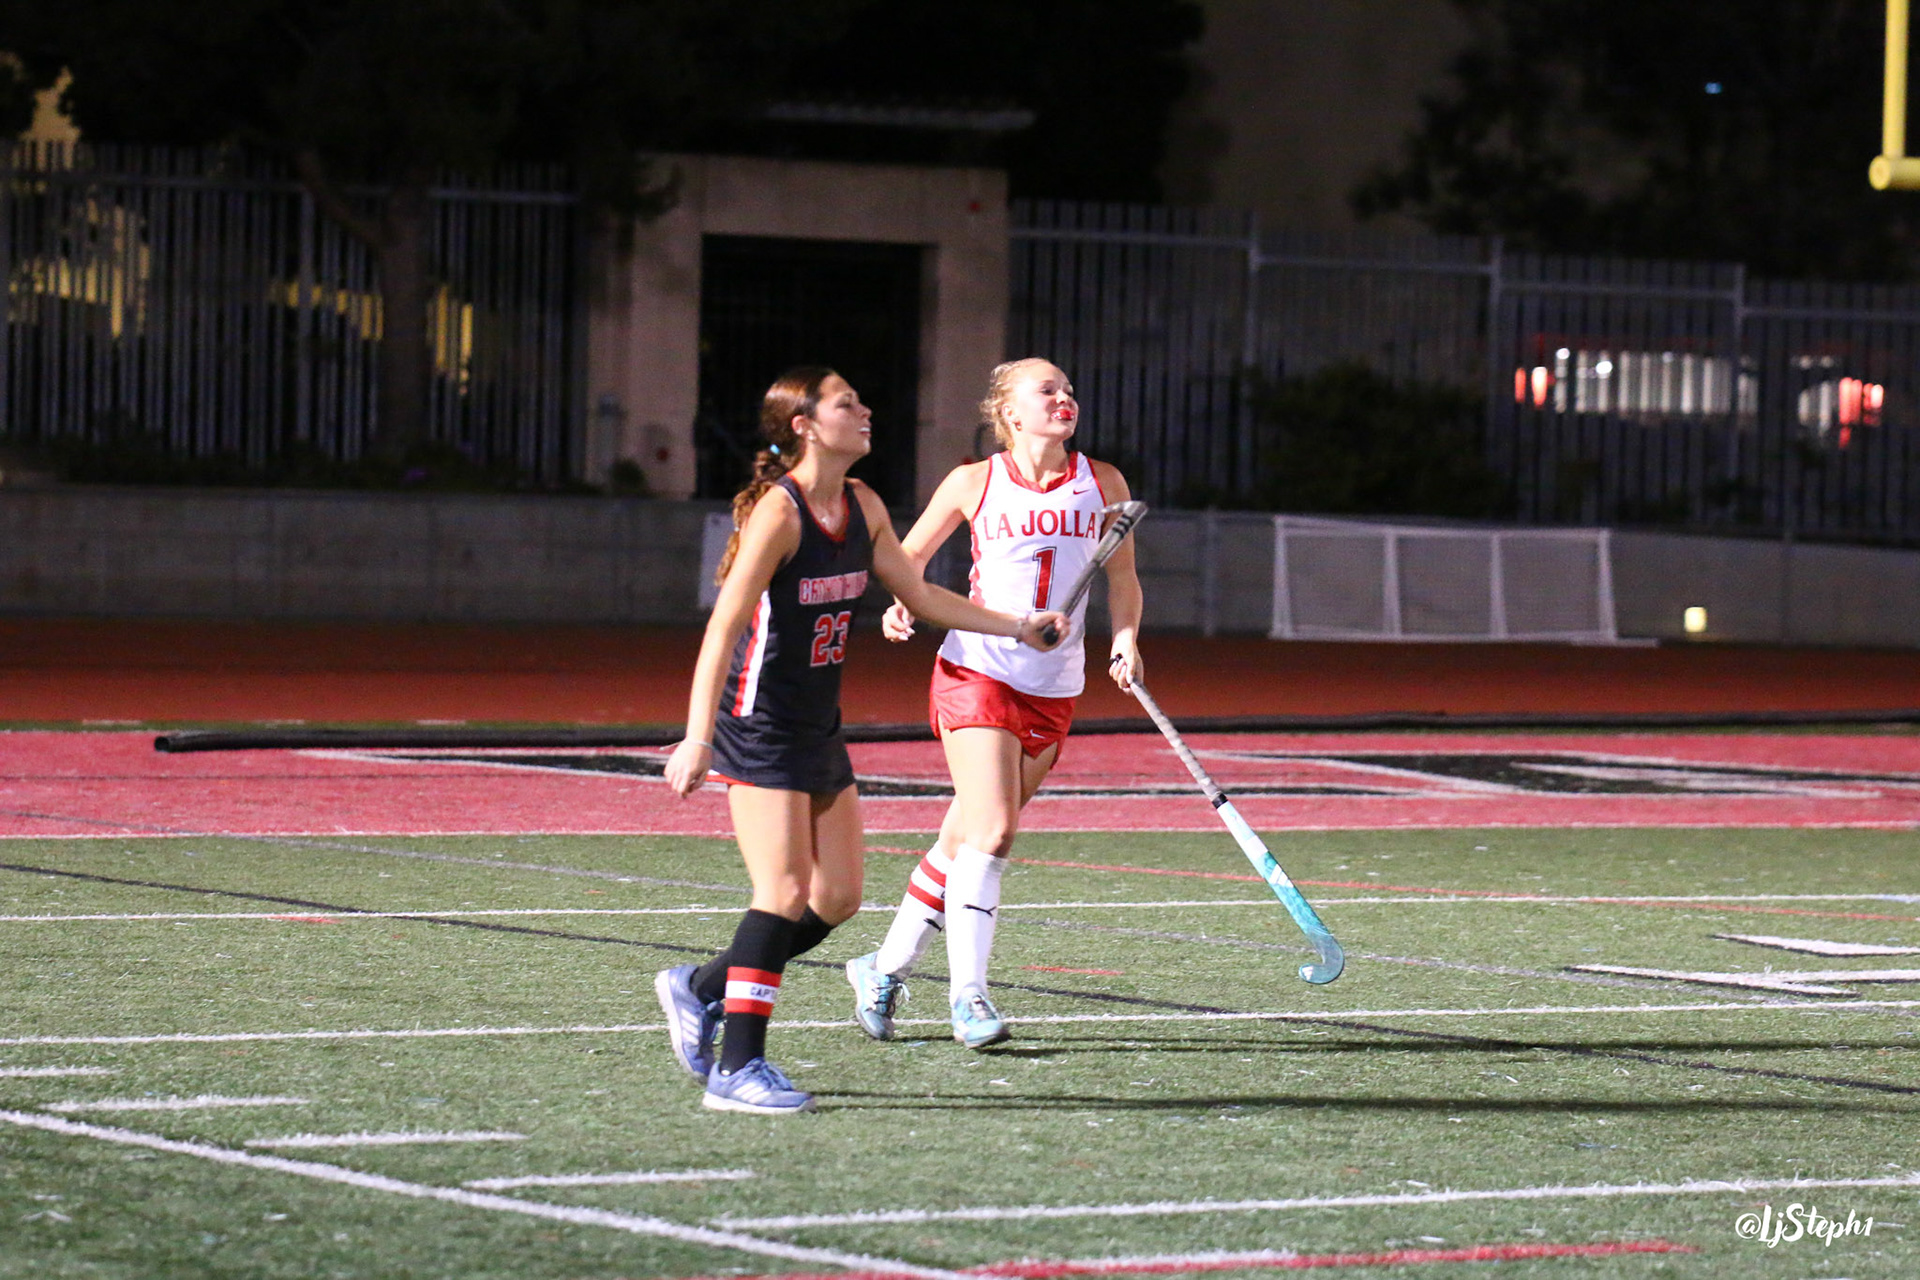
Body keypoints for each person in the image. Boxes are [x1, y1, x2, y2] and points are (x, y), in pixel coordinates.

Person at [655, 365, 1070, 1115]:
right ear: (806, 426)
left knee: (839, 898)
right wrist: (696, 737)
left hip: (818, 723)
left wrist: (1016, 626)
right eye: (847, 403)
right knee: (782, 893)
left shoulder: (862, 504)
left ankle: (700, 986)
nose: (865, 410)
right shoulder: (780, 514)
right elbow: (723, 629)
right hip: (759, 722)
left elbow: (920, 593)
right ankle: (737, 1069)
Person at [846, 357, 1143, 1050]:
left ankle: (882, 967)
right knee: (997, 831)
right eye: (1048, 391)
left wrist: (1126, 639)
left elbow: (1124, 578)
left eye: (1069, 390)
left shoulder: (1103, 482)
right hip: (977, 671)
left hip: (1055, 687)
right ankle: (969, 997)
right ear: (1010, 412)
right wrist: (901, 603)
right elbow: (906, 560)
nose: (1065, 399)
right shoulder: (973, 481)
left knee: (965, 839)